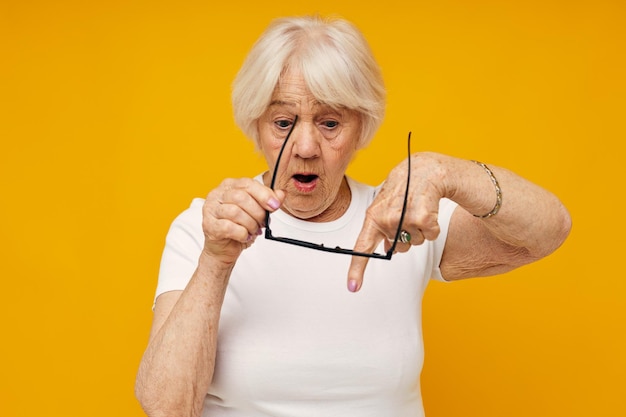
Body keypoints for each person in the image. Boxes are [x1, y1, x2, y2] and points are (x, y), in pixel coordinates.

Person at [134, 15, 571, 417]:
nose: (305, 147)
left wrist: (447, 173)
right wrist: (215, 260)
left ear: (361, 127)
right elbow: (167, 407)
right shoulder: (202, 230)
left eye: (329, 123)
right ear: (256, 125)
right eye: (284, 122)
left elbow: (549, 230)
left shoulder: (399, 216)